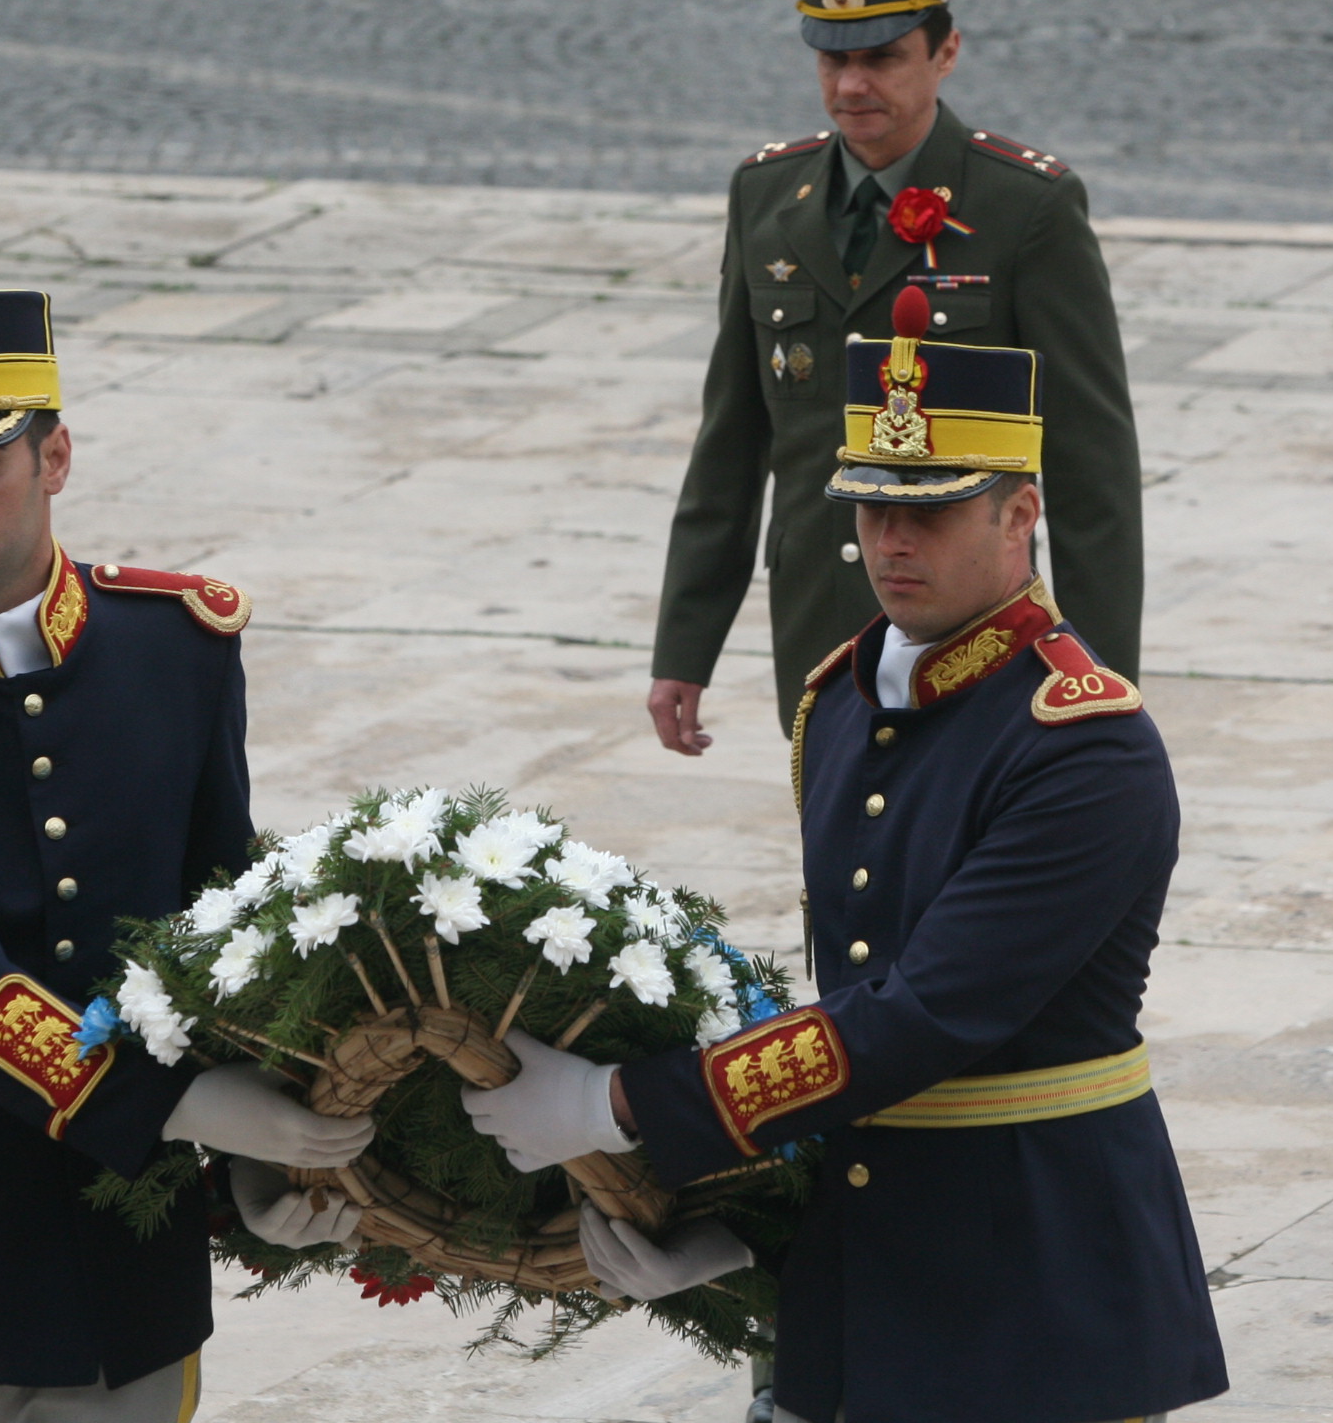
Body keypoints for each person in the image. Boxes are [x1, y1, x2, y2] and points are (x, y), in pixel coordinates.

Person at [468, 287, 1224, 1423]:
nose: (890, 542)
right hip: (872, 1257)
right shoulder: (843, 697)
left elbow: (925, 1019)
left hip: (1040, 1276)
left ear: (1020, 514)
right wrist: (752, 1231)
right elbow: (850, 1018)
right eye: (872, 511)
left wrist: (622, 1104)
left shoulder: (1085, 748)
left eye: (931, 513)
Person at [0, 239, 374, 1422]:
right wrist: (175, 1107)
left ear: (55, 456)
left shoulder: (177, 644)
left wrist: (256, 1135)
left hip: (111, 1232)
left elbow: (222, 903)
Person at [645, 0, 1145, 748]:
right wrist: (684, 647)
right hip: (817, 626)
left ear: (945, 52)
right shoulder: (767, 195)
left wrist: (1099, 680)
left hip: (975, 625)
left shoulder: (1023, 206)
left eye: (881, 58)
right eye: (832, 60)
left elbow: (1093, 466)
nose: (851, 87)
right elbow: (732, 441)